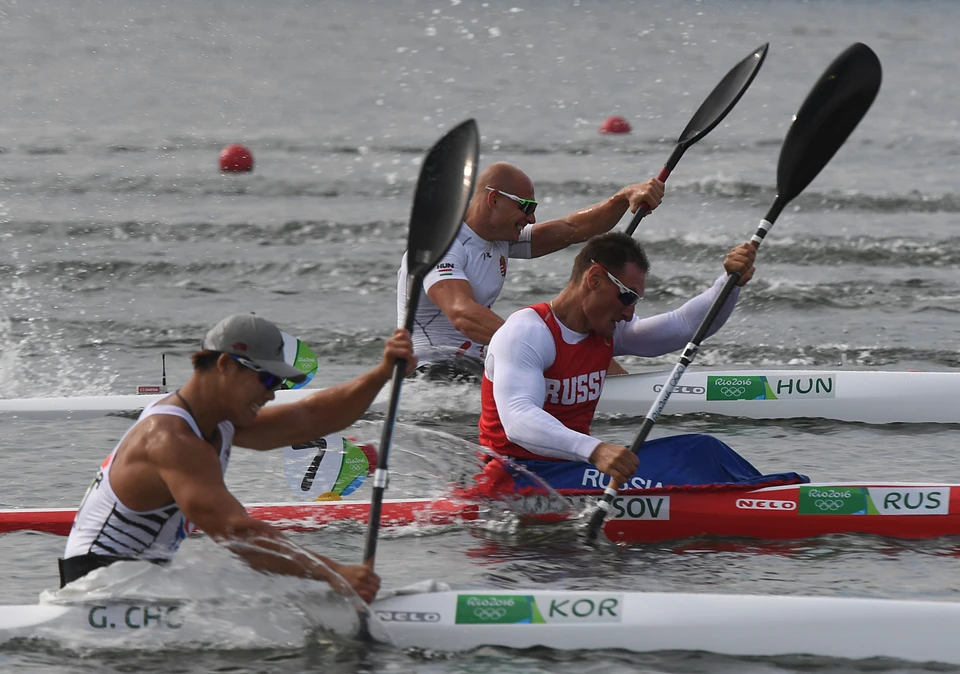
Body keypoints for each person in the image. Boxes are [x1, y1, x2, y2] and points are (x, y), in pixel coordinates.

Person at [60, 313, 417, 603]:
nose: (272, 395)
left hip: (139, 581)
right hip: (97, 590)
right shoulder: (170, 439)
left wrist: (382, 373)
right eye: (266, 381)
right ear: (227, 365)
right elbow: (238, 533)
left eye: (278, 385)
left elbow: (314, 418)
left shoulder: (213, 421)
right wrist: (334, 572)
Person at [474, 231, 806, 496]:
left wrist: (729, 282)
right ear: (594, 279)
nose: (630, 311)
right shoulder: (527, 333)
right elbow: (518, 419)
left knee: (702, 449)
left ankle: (771, 494)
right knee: (690, 462)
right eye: (628, 296)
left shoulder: (606, 330)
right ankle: (765, 501)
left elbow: (683, 327)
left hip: (571, 470)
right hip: (516, 480)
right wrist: (596, 450)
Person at [396, 162, 665, 380]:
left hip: (473, 369)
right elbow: (462, 313)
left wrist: (623, 198)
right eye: (526, 207)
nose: (532, 218)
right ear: (493, 199)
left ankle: (620, 385)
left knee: (579, 341)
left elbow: (573, 229)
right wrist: (546, 346)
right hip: (430, 375)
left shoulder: (499, 238)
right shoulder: (441, 247)